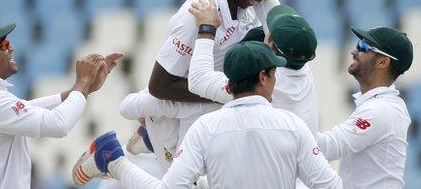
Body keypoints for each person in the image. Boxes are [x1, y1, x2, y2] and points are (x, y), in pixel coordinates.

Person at [72, 41, 343, 188]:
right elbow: (330, 186)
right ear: (263, 77)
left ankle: (116, 160)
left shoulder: (206, 127)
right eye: (274, 74)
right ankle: (128, 153)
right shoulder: (292, 125)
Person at [120, 0, 282, 171]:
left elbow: (279, 21)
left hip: (208, 107)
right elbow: (159, 85)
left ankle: (146, 139)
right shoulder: (195, 16)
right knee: (180, 185)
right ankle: (111, 161)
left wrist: (226, 93)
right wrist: (228, 93)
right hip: (174, 115)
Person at [0, 21, 123, 188]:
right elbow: (58, 125)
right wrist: (82, 82)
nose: (11, 48)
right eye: (3, 44)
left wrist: (81, 90)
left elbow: (23, 109)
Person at [186, 1, 319, 135]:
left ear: (271, 44)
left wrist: (207, 27)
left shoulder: (265, 82)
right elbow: (268, 6)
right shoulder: (301, 61)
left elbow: (199, 79)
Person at [316, 26, 414, 188]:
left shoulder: (381, 109)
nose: (354, 52)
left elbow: (327, 147)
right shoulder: (382, 105)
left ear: (383, 62)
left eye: (364, 47)